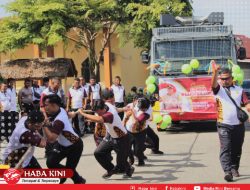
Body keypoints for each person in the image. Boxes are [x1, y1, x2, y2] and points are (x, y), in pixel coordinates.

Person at [78, 97, 134, 179]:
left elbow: (99, 119)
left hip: (122, 139)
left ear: (103, 108)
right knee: (98, 153)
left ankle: (129, 169)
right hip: (110, 136)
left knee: (121, 163)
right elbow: (116, 109)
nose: (97, 113)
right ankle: (111, 169)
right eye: (96, 112)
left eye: (98, 112)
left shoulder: (110, 115)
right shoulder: (107, 104)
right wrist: (123, 108)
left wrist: (82, 114)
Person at [211, 64, 250, 182]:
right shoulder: (219, 90)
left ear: (232, 78)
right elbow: (213, 85)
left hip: (238, 125)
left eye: (227, 78)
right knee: (226, 148)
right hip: (224, 124)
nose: (225, 81)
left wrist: (248, 107)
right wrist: (214, 72)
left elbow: (246, 102)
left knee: (237, 148)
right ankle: (227, 171)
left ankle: (234, 168)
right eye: (222, 79)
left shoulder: (239, 89)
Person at [42, 94, 85, 184]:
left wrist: (44, 125)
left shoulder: (59, 121)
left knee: (70, 169)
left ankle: (78, 181)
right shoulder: (61, 110)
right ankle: (66, 175)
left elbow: (52, 139)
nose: (44, 108)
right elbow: (70, 115)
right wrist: (74, 114)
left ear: (54, 105)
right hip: (62, 144)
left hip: (75, 145)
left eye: (46, 105)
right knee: (51, 162)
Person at [124, 96, 150, 166]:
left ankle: (141, 161)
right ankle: (130, 159)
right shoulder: (135, 106)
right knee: (127, 147)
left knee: (137, 150)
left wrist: (132, 112)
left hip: (140, 132)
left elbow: (137, 121)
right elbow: (126, 116)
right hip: (129, 131)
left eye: (144, 108)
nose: (143, 109)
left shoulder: (147, 114)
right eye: (142, 107)